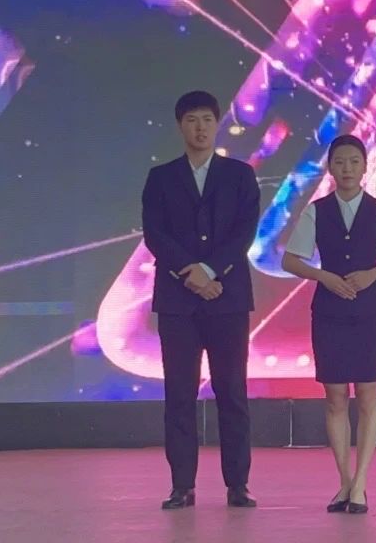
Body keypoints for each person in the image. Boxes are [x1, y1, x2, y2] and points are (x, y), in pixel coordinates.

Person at [281, 134, 376, 514]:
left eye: (353, 162)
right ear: (330, 168)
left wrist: (375, 273)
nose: (346, 169)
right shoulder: (317, 211)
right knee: (335, 396)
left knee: (368, 395)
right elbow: (291, 260)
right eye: (340, 162)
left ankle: (361, 484)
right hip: (329, 311)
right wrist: (323, 276)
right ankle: (344, 481)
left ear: (364, 167)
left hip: (369, 311)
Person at [141, 90, 261, 509]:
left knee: (232, 391)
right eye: (192, 120)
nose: (200, 128)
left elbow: (244, 232)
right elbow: (155, 234)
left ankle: (237, 484)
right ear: (181, 126)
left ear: (217, 123)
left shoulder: (240, 175)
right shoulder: (161, 177)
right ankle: (182, 485)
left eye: (207, 120)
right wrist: (189, 272)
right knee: (179, 394)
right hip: (178, 302)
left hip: (228, 298)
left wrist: (210, 271)